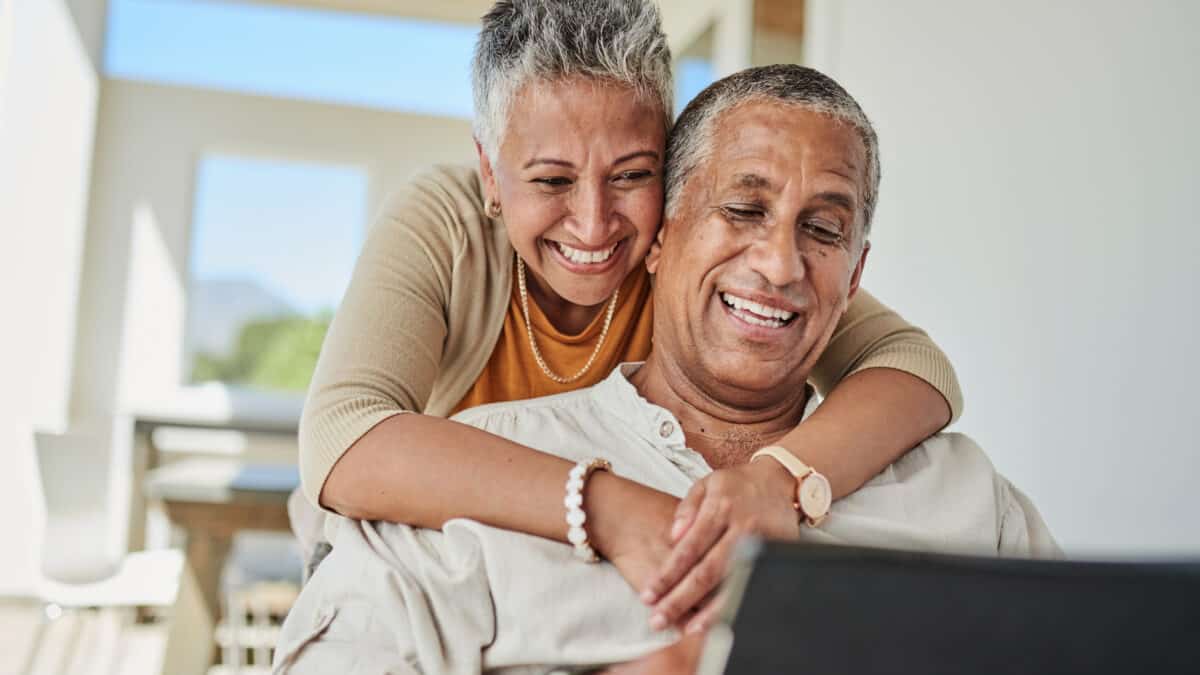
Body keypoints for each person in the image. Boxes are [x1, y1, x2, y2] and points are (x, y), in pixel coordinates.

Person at [273, 63, 1058, 675]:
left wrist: (783, 478)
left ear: (853, 279)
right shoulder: (461, 500)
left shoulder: (960, 496)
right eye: (743, 210)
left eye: (821, 227)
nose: (781, 263)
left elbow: (920, 366)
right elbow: (346, 438)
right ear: (658, 241)